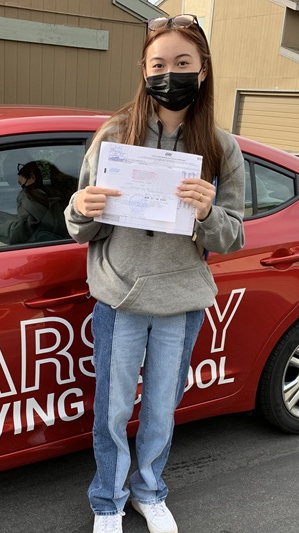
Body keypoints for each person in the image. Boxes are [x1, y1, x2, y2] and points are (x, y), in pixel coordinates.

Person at [63, 14, 245, 533]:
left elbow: (234, 236)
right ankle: (108, 501)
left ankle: (149, 491)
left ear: (203, 71)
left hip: (179, 300)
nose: (171, 73)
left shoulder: (220, 148)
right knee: (113, 411)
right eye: (159, 64)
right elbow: (80, 227)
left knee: (162, 409)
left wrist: (209, 213)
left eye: (183, 63)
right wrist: (83, 206)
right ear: (144, 71)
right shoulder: (114, 136)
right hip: (119, 297)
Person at [0, 159, 74, 244]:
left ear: (32, 176)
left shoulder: (29, 195)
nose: (22, 189)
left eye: (21, 185)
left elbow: (28, 227)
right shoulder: (62, 191)